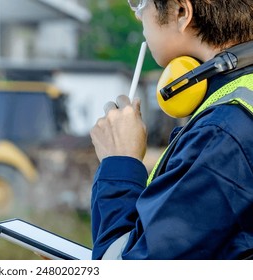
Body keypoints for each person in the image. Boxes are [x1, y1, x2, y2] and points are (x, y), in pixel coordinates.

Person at [89, 0, 253, 259]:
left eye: (140, 3)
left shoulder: (221, 134)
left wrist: (119, 162)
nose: (138, 16)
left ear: (181, 12)